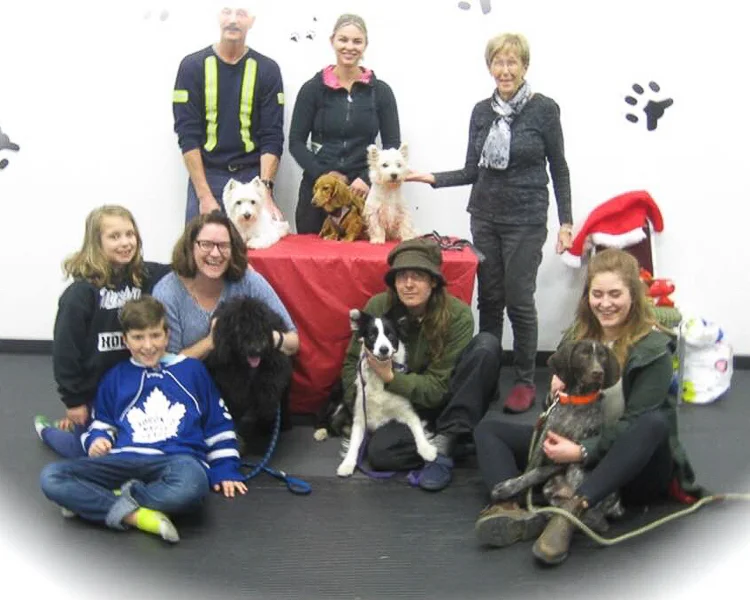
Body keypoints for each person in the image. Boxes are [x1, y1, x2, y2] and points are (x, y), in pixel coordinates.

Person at [472, 249, 702, 565]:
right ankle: (511, 510)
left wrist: (580, 451)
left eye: (615, 294)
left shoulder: (654, 350)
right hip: (577, 440)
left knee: (653, 424)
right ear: (587, 296)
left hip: (628, 464)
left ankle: (572, 511)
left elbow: (634, 423)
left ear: (633, 296)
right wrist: (555, 391)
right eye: (597, 294)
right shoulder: (578, 336)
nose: (605, 303)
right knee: (488, 429)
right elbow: (559, 410)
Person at [407, 33, 573, 414]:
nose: (505, 70)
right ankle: (487, 377)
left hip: (526, 220)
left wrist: (566, 222)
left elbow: (559, 168)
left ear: (525, 66)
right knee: (490, 300)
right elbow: (472, 170)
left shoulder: (544, 110)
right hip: (484, 217)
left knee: (519, 300)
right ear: (490, 67)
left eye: (513, 62)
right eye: (498, 62)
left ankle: (525, 380)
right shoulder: (482, 111)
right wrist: (431, 178)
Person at [39, 296, 247, 544]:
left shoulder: (192, 371)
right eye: (138, 338)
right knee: (51, 477)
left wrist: (225, 469)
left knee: (193, 486)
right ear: (125, 340)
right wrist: (98, 440)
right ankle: (137, 517)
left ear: (167, 335)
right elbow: (101, 423)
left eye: (155, 335)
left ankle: (101, 500)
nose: (148, 346)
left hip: (177, 461)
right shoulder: (115, 377)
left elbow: (218, 425)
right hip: (122, 459)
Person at [340, 238, 500, 492]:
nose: (408, 284)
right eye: (401, 276)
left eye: (418, 276)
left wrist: (390, 377)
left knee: (486, 346)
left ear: (433, 281)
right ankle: (456, 442)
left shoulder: (457, 315)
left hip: (446, 398)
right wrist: (362, 406)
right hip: (399, 405)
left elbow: (438, 388)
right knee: (381, 455)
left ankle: (447, 441)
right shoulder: (378, 307)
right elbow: (351, 363)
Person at [34, 206, 169, 458]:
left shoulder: (144, 276)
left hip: (133, 387)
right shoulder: (80, 294)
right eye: (114, 236)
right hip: (94, 394)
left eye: (130, 234)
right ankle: (48, 431)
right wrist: (74, 402)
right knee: (89, 452)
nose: (125, 242)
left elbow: (184, 266)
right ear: (96, 242)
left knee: (139, 443)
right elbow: (66, 352)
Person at [289, 13, 400, 234]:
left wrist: (367, 178)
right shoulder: (312, 89)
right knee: (311, 252)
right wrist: (325, 174)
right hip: (318, 191)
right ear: (332, 41)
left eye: (357, 41)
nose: (349, 47)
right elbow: (296, 143)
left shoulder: (381, 92)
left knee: (360, 254)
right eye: (343, 40)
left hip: (361, 194)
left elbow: (392, 145)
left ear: (365, 44)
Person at [173, 6, 284, 224]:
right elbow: (187, 134)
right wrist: (204, 196)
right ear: (218, 16)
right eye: (227, 12)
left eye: (241, 14)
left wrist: (265, 192)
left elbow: (272, 135)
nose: (233, 20)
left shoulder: (268, 69)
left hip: (252, 179)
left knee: (258, 244)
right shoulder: (191, 66)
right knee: (201, 243)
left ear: (252, 20)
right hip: (208, 176)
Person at [152, 212, 299, 360]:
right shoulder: (168, 293)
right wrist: (212, 341)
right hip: (189, 374)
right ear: (190, 247)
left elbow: (293, 341)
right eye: (206, 244)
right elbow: (167, 362)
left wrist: (263, 336)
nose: (216, 253)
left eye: (223, 245)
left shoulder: (249, 281)